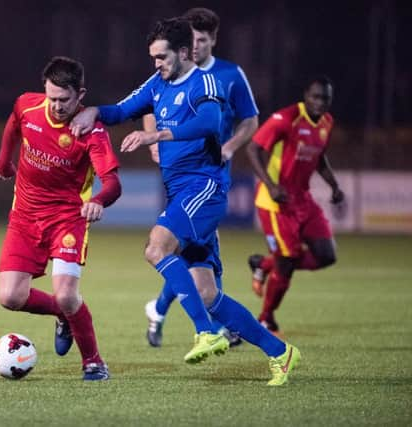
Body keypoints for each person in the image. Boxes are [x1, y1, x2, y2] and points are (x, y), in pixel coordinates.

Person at [71, 18, 300, 386]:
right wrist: (95, 111)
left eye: (162, 57)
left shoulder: (204, 83)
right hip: (181, 193)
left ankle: (205, 333)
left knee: (156, 247)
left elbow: (209, 122)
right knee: (208, 293)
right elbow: (122, 109)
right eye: (153, 58)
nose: (156, 64)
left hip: (204, 188)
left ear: (182, 52)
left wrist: (157, 135)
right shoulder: (157, 83)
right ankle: (280, 352)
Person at [0, 56, 121, 381]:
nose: (57, 107)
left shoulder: (92, 132)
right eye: (51, 98)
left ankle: (93, 362)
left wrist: (99, 201)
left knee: (66, 293)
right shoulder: (27, 106)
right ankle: (64, 315)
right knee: (10, 297)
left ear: (81, 94)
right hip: (24, 215)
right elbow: (13, 124)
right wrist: (4, 160)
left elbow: (113, 184)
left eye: (64, 100)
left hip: (67, 219)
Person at [142, 7, 259, 349]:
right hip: (184, 171)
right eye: (190, 39)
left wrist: (230, 147)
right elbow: (149, 104)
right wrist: (153, 137)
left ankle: (164, 309)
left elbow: (250, 120)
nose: (194, 46)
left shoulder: (230, 74)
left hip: (212, 169)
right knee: (189, 244)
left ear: (213, 40)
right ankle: (213, 321)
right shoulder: (171, 73)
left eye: (201, 40)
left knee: (186, 245)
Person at [246, 75, 344, 337]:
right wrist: (270, 184)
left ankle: (264, 265)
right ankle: (265, 320)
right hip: (275, 202)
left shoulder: (326, 123)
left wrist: (334, 185)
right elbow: (253, 149)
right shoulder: (286, 118)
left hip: (303, 199)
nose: (320, 102)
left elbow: (320, 157)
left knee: (326, 255)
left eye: (326, 98)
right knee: (287, 261)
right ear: (305, 96)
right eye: (316, 97)